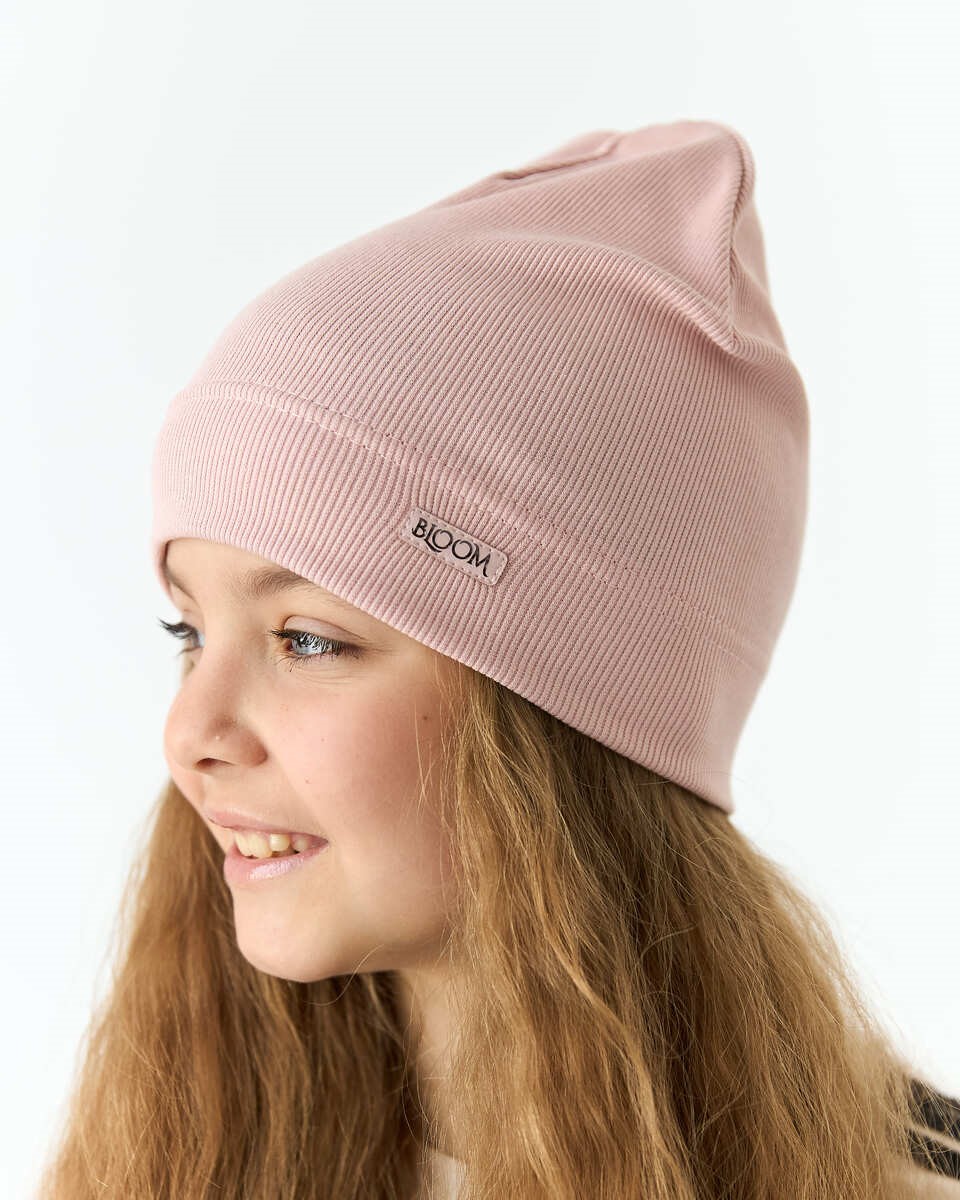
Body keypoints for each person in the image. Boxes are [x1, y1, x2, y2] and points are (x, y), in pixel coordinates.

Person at [37, 119, 959, 1199]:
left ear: (564, 714)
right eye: (189, 634)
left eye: (307, 640)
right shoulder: (177, 1159)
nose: (190, 734)